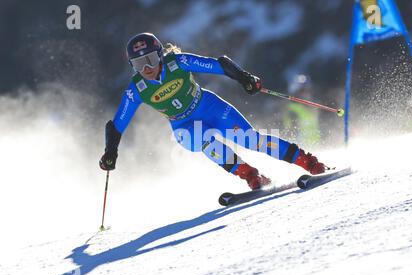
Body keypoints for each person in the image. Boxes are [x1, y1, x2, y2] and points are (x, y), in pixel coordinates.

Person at [99, 33, 329, 190]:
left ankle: (308, 162)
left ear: (159, 54)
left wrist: (244, 78)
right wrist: (110, 152)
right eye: (139, 64)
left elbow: (218, 64)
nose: (146, 68)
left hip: (209, 107)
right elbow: (118, 124)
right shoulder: (137, 89)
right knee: (200, 139)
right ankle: (250, 174)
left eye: (149, 59)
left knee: (251, 140)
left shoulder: (177, 63)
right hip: (183, 125)